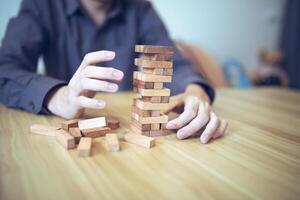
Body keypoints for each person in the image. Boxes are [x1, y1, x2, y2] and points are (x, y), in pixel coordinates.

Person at [0, 0, 227, 143]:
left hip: (134, 131)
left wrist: (196, 92)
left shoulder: (140, 8)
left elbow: (174, 63)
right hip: (67, 127)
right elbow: (5, 69)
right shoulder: (41, 5)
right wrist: (57, 96)